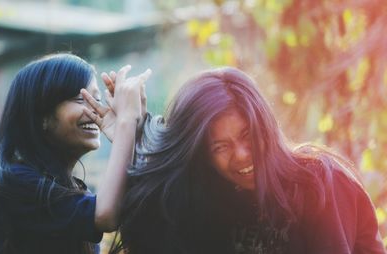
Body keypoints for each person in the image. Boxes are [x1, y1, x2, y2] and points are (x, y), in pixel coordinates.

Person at [86, 66, 386, 254]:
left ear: (266, 127)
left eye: (248, 135)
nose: (241, 155)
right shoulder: (214, 195)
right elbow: (148, 227)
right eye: (220, 147)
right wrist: (129, 132)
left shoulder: (319, 182)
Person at [0, 53, 151, 254]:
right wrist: (127, 122)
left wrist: (137, 130)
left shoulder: (69, 189)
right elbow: (105, 216)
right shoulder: (17, 181)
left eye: (97, 99)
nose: (95, 109)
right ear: (42, 117)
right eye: (81, 99)